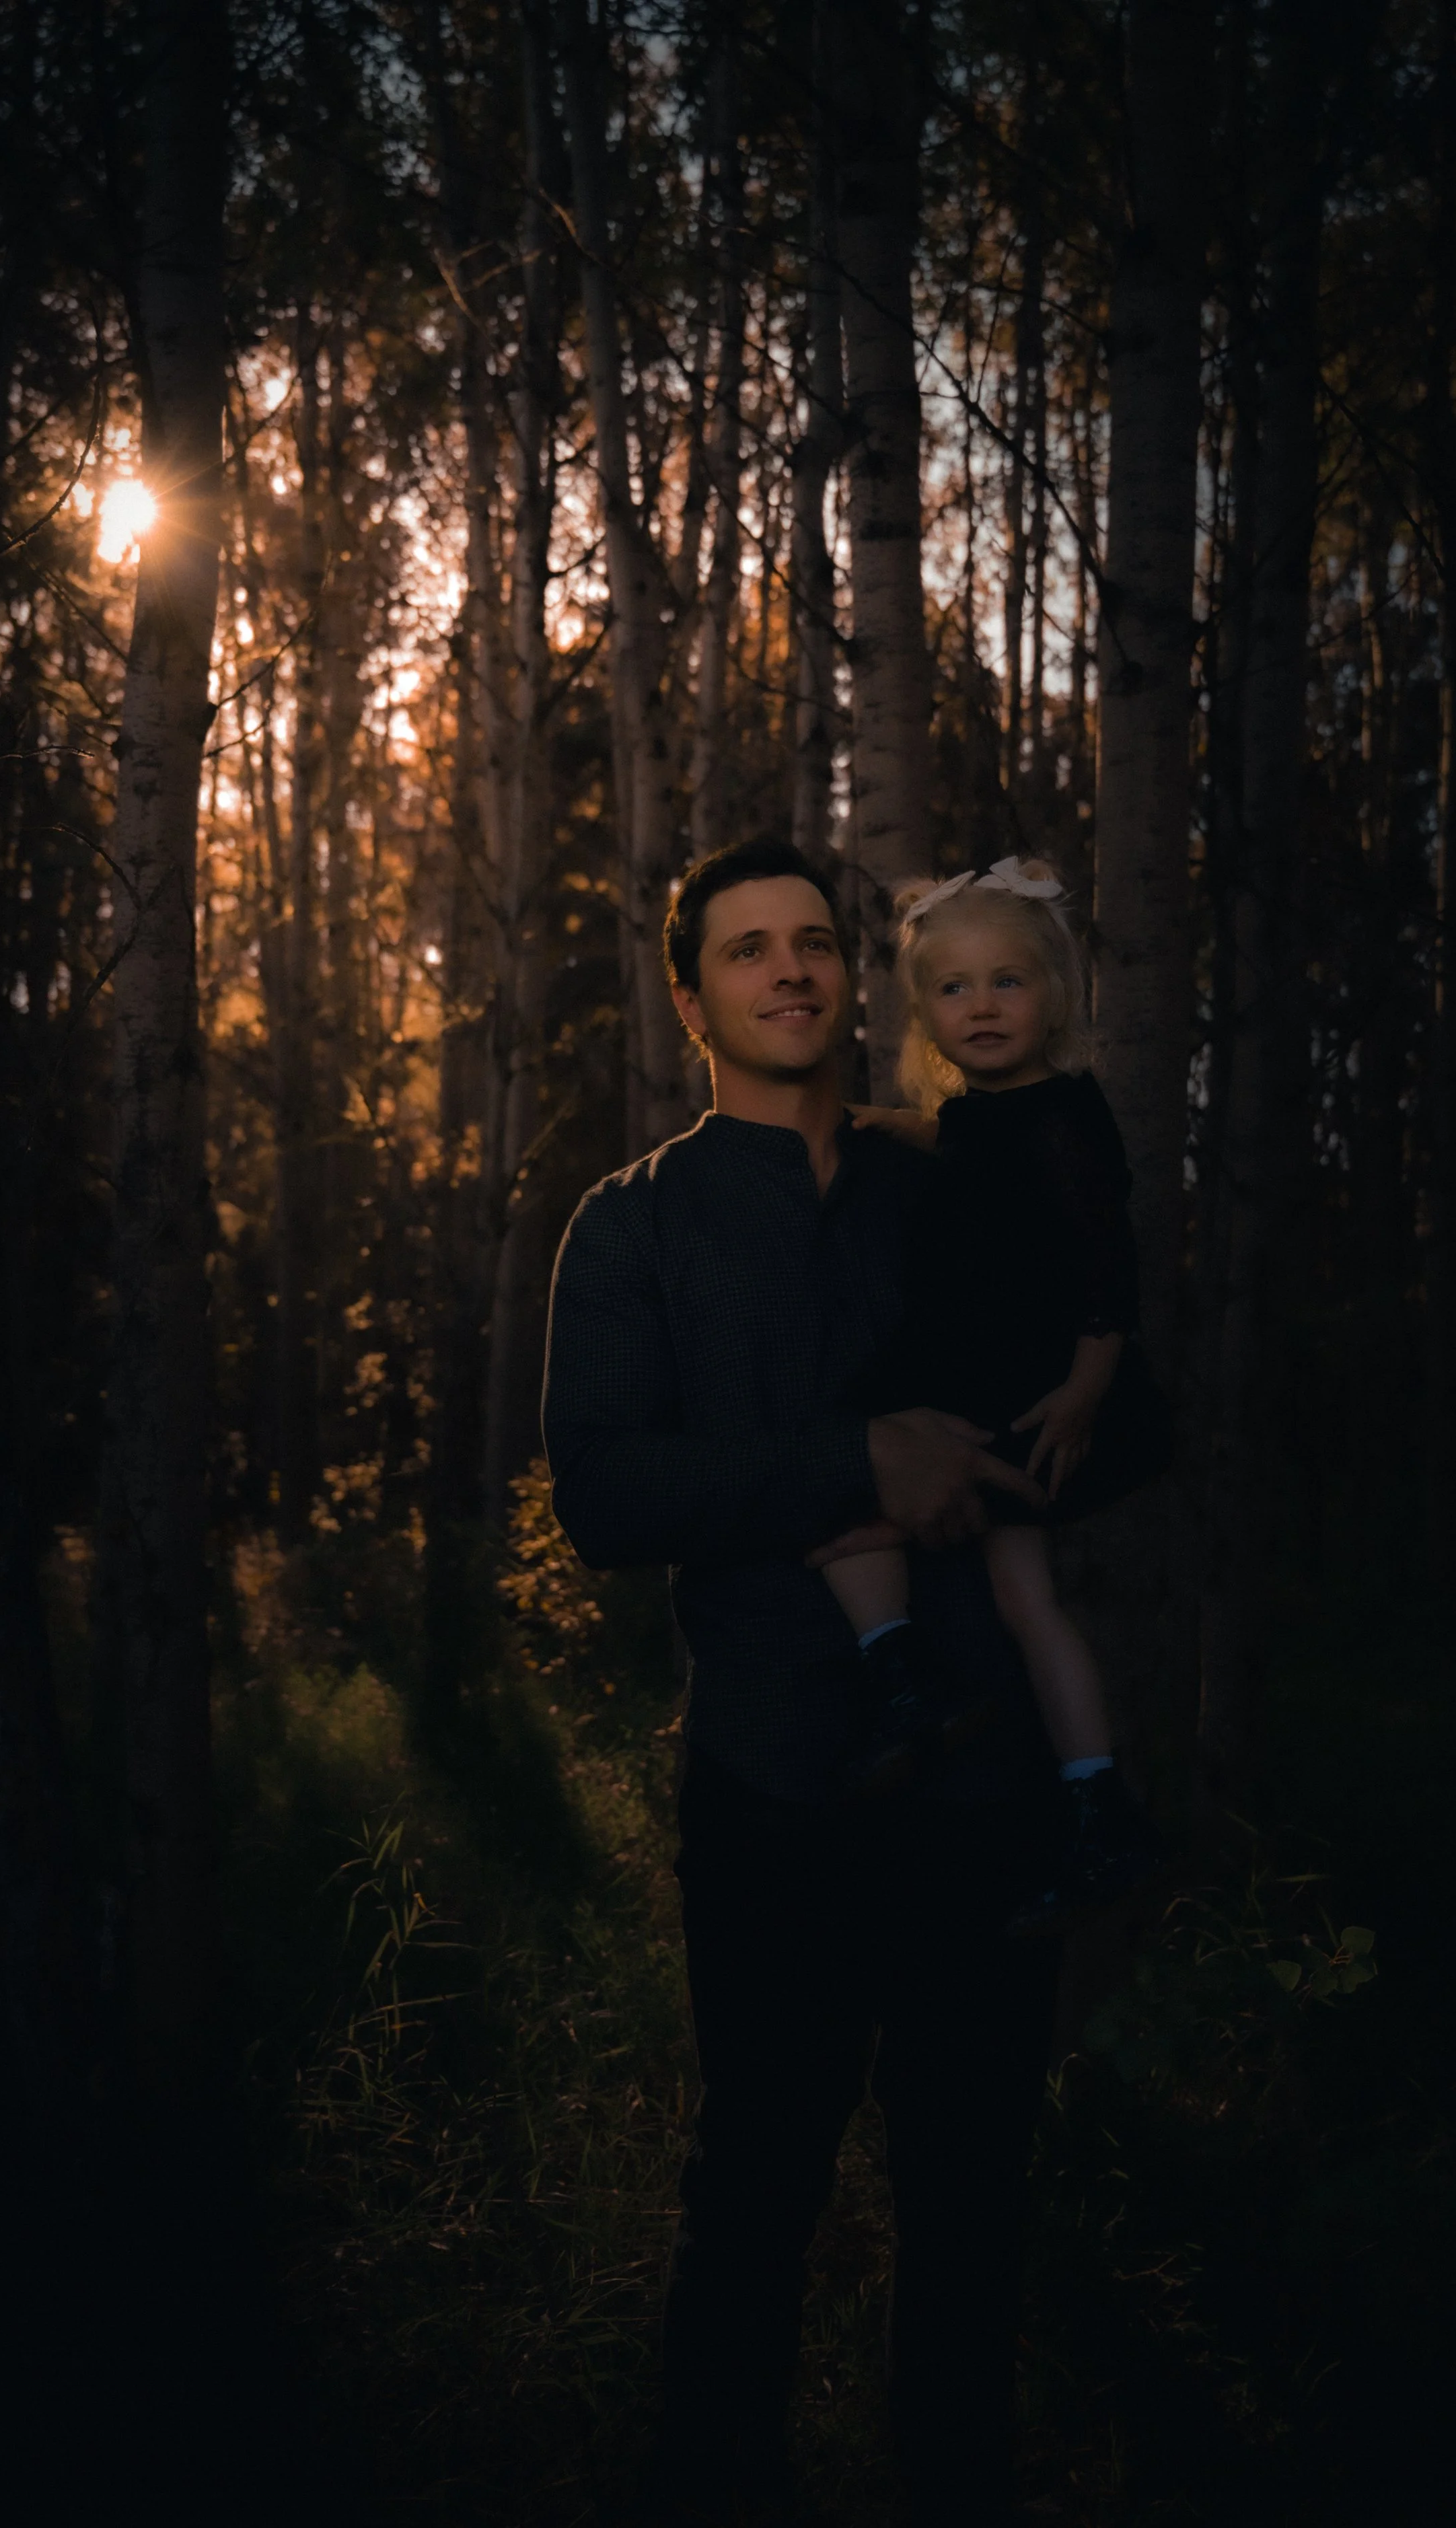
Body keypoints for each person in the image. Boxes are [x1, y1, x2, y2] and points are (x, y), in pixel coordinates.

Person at [542, 835, 1062, 2527]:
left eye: (817, 944)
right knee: (754, 2191)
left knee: (973, 2196)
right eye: (748, 950)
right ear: (690, 998)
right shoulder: (630, 1227)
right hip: (772, 1783)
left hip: (983, 1773)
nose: (791, 971)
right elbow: (609, 1494)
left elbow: (1095, 1400)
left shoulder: (953, 1185)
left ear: (854, 981)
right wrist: (856, 1458)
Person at [813, 856, 1170, 1931]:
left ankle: (1057, 1770)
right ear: (926, 1011)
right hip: (971, 1372)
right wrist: (884, 1120)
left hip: (1028, 1392)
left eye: (1007, 983)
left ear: (1054, 996)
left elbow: (1110, 1268)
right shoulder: (977, 1113)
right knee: (1007, 1590)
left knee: (858, 1514)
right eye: (955, 988)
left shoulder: (1068, 1116)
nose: (982, 1006)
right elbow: (963, 1146)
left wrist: (1084, 1392)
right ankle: (1058, 1772)